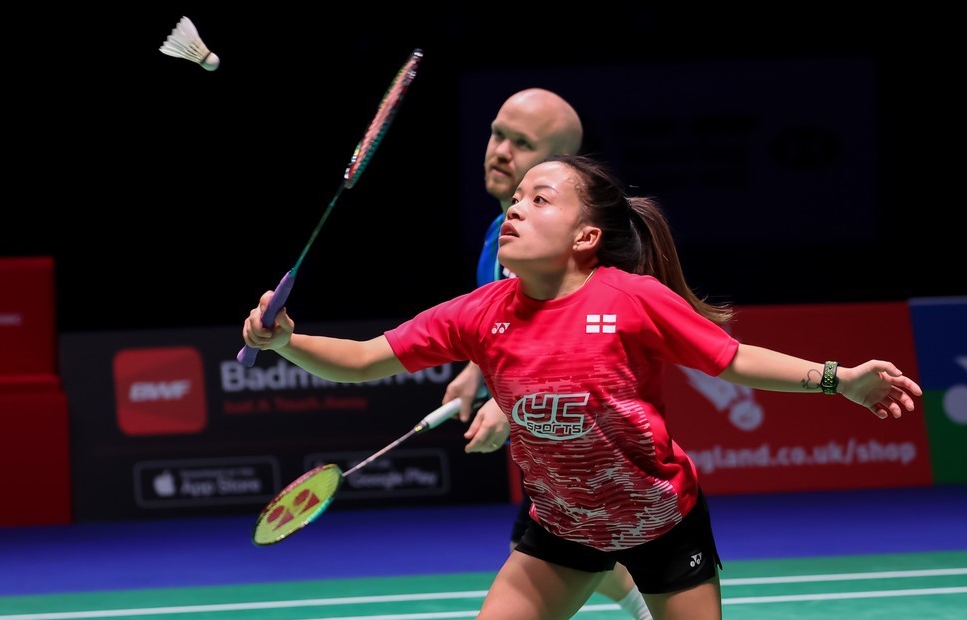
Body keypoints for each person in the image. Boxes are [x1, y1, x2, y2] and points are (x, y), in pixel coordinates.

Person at [242, 153, 921, 620]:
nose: (514, 209)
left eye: (539, 200)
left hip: (661, 521)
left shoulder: (632, 299)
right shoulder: (480, 313)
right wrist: (285, 342)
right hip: (561, 529)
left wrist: (838, 380)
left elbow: (732, 360)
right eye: (513, 200)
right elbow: (364, 359)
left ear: (586, 235)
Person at [441, 87, 651, 618]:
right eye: (497, 133)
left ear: (558, 166)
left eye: (522, 143)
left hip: (599, 438)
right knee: (572, 548)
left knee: (551, 551)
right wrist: (474, 371)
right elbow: (508, 322)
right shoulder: (501, 235)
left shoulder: (574, 249)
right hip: (556, 446)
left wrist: (508, 403)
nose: (500, 151)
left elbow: (582, 344)